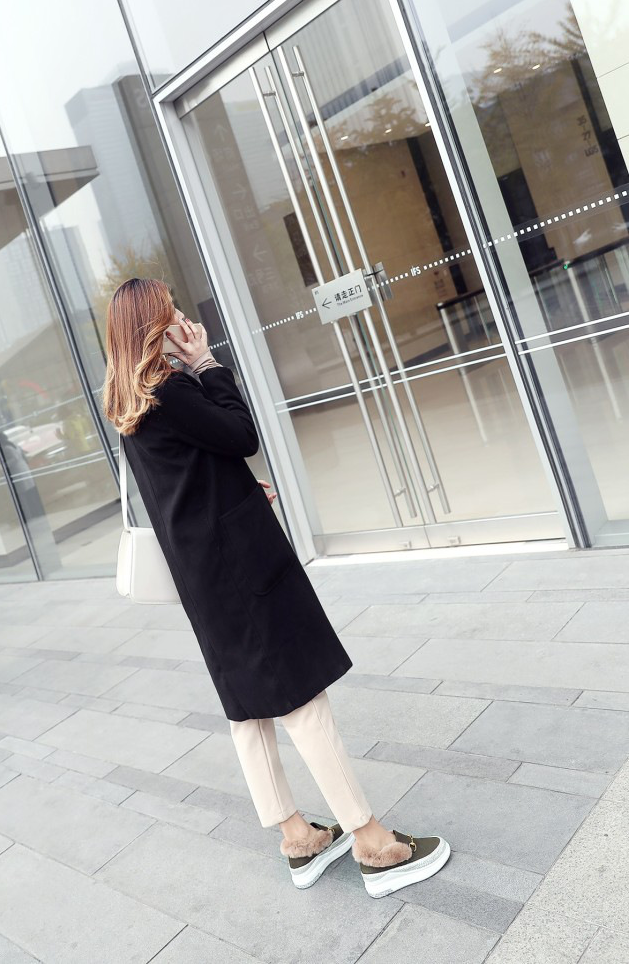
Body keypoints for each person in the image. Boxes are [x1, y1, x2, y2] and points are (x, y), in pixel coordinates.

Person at [102, 276, 449, 896]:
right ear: (155, 324)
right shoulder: (171, 388)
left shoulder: (128, 401)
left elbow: (182, 479)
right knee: (301, 698)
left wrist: (234, 488)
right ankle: (372, 844)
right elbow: (241, 435)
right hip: (241, 567)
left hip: (204, 577)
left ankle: (298, 838)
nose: (183, 319)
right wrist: (207, 364)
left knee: (248, 710)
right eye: (172, 311)